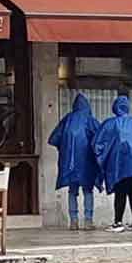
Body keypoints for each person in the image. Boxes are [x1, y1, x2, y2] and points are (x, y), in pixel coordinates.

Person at [94, 95, 132, 234]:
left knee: (120, 193)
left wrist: (102, 160)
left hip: (118, 165)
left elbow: (98, 144)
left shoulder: (110, 124)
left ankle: (118, 223)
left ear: (114, 107)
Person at [48, 93, 101, 231]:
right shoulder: (89, 120)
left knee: (72, 191)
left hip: (69, 163)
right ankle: (88, 221)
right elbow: (100, 138)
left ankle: (73, 221)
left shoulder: (67, 119)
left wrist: (64, 149)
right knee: (88, 190)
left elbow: (54, 138)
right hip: (87, 162)